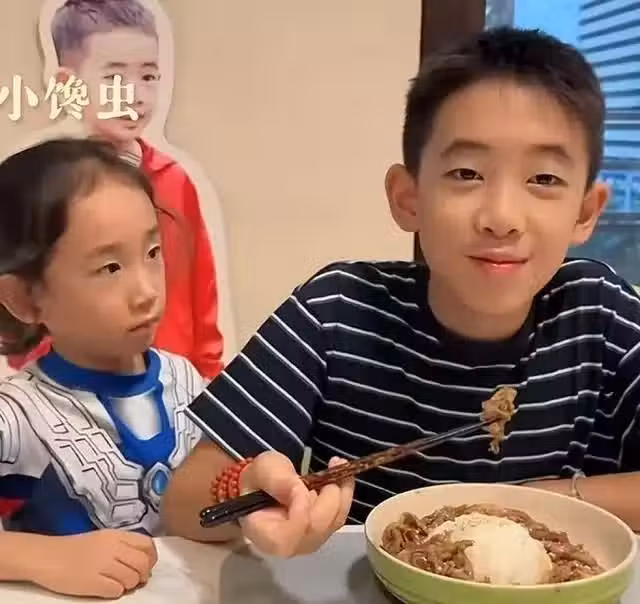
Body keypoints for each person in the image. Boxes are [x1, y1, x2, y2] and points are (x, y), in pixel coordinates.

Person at [160, 27, 640, 557]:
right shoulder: (338, 312)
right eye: (467, 173)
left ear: (586, 212)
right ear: (408, 198)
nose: (502, 217)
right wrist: (249, 492)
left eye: (544, 179)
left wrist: (540, 501)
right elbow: (184, 499)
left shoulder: (604, 318)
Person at [0, 138, 204, 598]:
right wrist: (42, 557)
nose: (147, 291)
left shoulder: (186, 381)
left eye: (153, 252)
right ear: (25, 298)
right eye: (111, 268)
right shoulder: (17, 415)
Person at [7, 0, 224, 379]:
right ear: (68, 85)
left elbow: (201, 299)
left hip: (173, 389)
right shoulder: (44, 189)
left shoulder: (175, 181)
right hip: (75, 391)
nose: (136, 94)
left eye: (148, 76)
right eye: (114, 78)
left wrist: (209, 379)